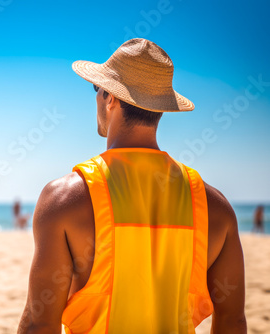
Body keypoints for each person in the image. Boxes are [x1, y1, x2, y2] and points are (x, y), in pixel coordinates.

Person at [18, 39, 246, 334]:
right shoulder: (215, 206)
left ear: (110, 97)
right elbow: (232, 322)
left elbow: (40, 323)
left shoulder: (64, 198)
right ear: (160, 108)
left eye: (96, 89)